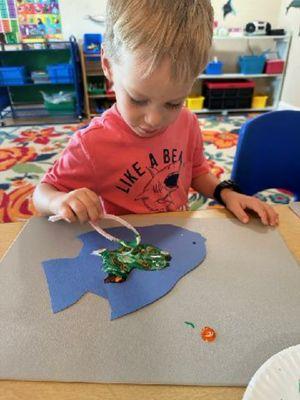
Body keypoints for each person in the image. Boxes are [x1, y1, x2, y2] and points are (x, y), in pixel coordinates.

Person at [33, 0, 278, 227]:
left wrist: (226, 193)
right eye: (138, 99)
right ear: (108, 66)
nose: (155, 120)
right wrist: (58, 202)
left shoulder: (187, 122)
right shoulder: (91, 144)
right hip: (128, 246)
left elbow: (196, 171)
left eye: (173, 103)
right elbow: (41, 194)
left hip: (177, 232)